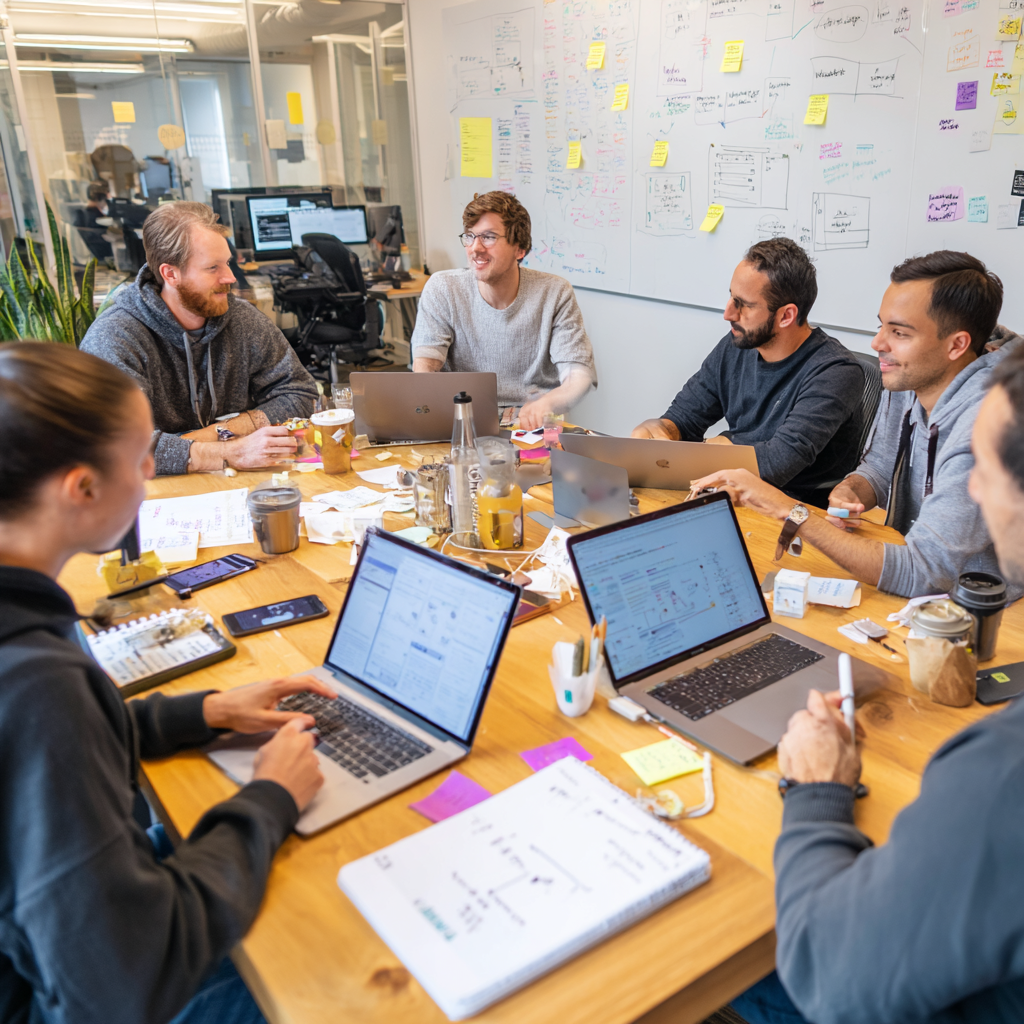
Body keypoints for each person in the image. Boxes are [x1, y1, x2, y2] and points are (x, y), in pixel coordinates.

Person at [0, 341, 332, 1024]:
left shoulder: (26, 640)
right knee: (337, 965)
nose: (153, 470)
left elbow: (55, 753)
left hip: (56, 934)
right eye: (139, 458)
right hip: (65, 995)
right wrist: (271, 797)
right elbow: (129, 979)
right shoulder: (38, 684)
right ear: (81, 488)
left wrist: (203, 711)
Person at [728, 341, 1024, 1024]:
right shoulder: (897, 394)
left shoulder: (999, 776)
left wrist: (818, 793)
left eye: (987, 467)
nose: (972, 489)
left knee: (709, 947)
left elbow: (829, 972)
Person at [690, 250, 1016, 600]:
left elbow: (923, 572)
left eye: (899, 333)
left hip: (980, 607)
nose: (878, 344)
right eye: (881, 325)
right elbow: (878, 465)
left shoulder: (988, 426)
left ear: (957, 345)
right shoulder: (911, 378)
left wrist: (789, 510)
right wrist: (852, 489)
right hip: (910, 583)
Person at [82, 202, 317, 476]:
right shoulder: (114, 337)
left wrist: (219, 433)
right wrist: (232, 451)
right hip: (157, 495)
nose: (230, 277)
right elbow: (114, 446)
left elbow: (302, 394)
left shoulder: (242, 318)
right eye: (212, 268)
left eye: (227, 263)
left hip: (238, 485)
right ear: (170, 274)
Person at [631, 238, 865, 507]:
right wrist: (661, 432)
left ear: (786, 316)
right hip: (732, 495)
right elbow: (684, 419)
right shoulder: (738, 344)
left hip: (797, 513)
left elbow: (777, 464)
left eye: (744, 304)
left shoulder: (836, 372)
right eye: (731, 297)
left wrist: (723, 444)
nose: (728, 313)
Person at [411, 191, 596, 430]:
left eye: (488, 237)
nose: (475, 248)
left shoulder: (555, 292)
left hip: (532, 423)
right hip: (463, 416)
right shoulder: (443, 288)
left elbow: (578, 377)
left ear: (519, 249)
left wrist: (548, 403)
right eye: (470, 236)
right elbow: (425, 366)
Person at [73, 181, 114, 262]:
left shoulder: (82, 214)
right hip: (103, 257)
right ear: (99, 198)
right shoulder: (96, 216)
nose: (107, 201)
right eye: (106, 198)